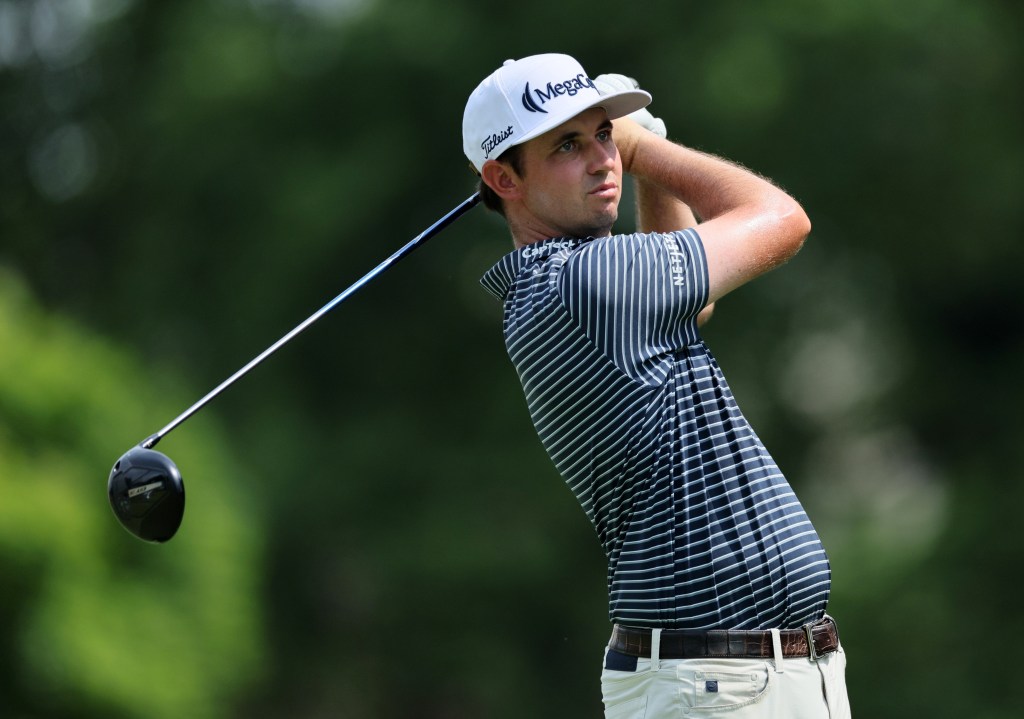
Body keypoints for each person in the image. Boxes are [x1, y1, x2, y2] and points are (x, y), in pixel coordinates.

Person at [463, 53, 850, 718]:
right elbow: (781, 217)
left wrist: (642, 161)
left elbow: (689, 310)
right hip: (718, 683)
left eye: (605, 135)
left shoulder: (570, 285)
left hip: (743, 675)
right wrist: (648, 147)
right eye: (568, 144)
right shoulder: (587, 284)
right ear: (504, 178)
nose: (603, 160)